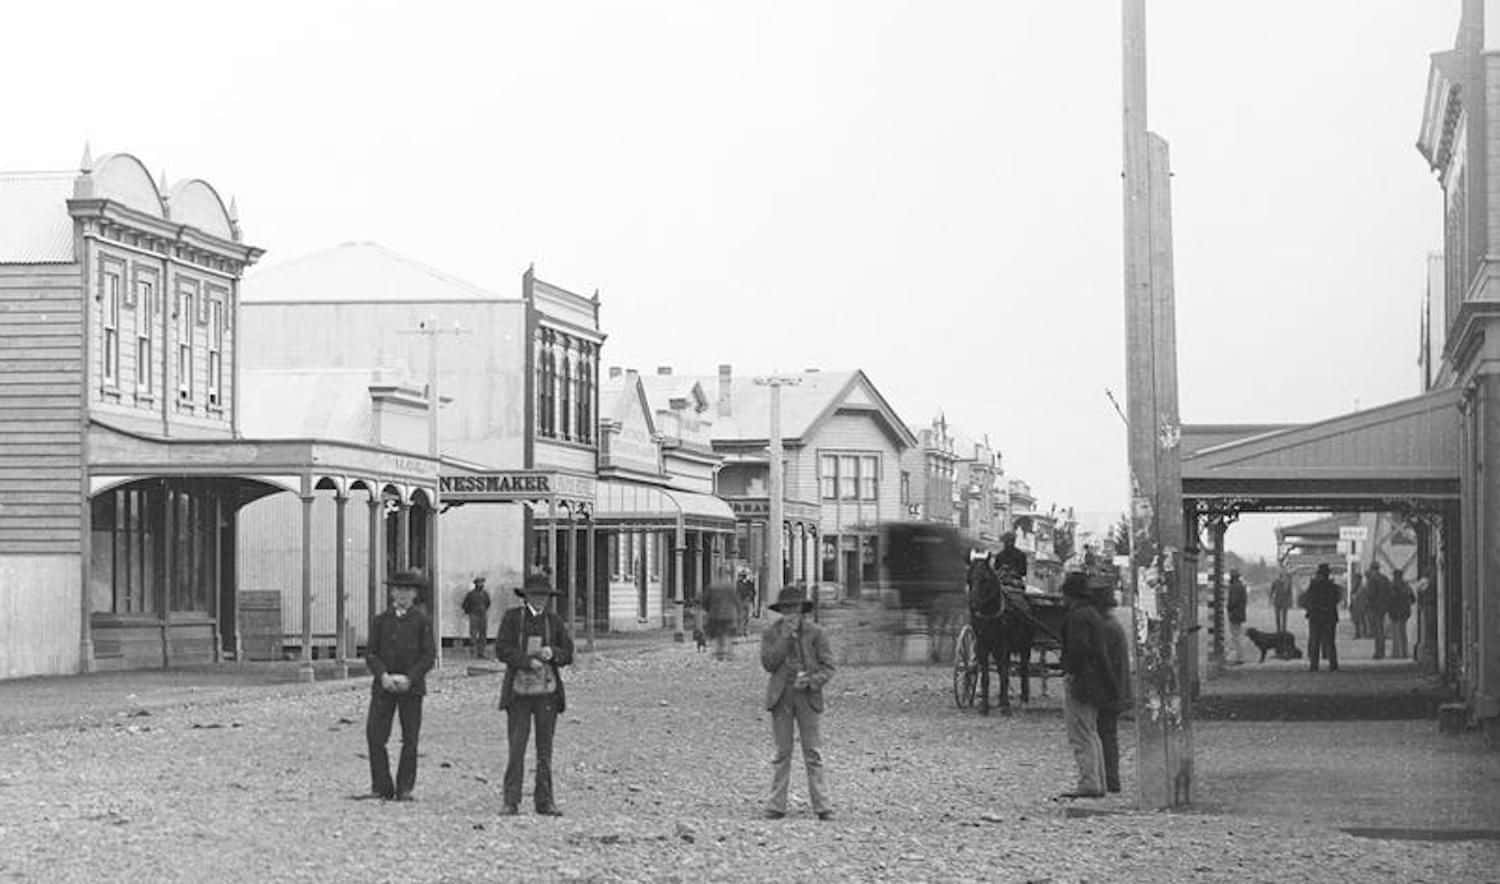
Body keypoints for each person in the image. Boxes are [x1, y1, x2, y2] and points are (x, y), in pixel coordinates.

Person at [496, 573, 575, 817]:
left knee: (545, 749)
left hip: (547, 694)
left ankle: (545, 800)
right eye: (535, 595)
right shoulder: (512, 619)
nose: (540, 600)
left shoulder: (554, 621)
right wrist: (527, 662)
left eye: (544, 596)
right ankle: (511, 800)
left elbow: (568, 653)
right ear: (526, 596)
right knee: (517, 747)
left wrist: (554, 654)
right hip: (518, 693)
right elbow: (502, 650)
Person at [760, 585, 836, 821]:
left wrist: (812, 681)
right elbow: (769, 664)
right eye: (786, 609)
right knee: (782, 752)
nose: (791, 613)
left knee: (813, 752)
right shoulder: (772, 633)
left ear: (802, 610)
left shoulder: (816, 633)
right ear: (781, 611)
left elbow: (829, 667)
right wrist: (784, 638)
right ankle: (776, 804)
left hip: (807, 697)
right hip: (781, 696)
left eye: (794, 608)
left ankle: (822, 805)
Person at [361, 569, 436, 802]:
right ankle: (381, 786)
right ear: (392, 592)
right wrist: (382, 675)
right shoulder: (380, 621)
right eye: (399, 590)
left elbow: (428, 656)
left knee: (410, 738)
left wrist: (410, 678)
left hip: (411, 688)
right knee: (375, 735)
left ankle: (405, 787)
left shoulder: (422, 621)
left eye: (408, 590)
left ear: (414, 594)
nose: (403, 594)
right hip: (384, 687)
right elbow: (371, 653)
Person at [1058, 571, 1118, 799]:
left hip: (1083, 681)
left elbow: (1079, 649)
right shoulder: (1091, 613)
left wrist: (1070, 672)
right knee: (1092, 732)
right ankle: (1098, 781)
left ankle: (1089, 782)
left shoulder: (1077, 617)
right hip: (1096, 681)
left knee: (1080, 733)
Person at [1093, 576, 1131, 794]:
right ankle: (1110, 779)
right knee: (1108, 734)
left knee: (1105, 734)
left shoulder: (1106, 628)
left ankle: (1110, 780)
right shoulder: (1112, 624)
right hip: (1116, 687)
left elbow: (1103, 662)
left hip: (1109, 689)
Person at [1302, 563, 1341, 672]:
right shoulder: (1332, 586)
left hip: (1315, 617)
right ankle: (1333, 665)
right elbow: (1337, 599)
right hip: (1329, 617)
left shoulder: (1313, 586)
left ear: (1318, 574)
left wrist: (1311, 609)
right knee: (1330, 642)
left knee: (1315, 641)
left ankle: (1314, 665)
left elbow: (1306, 600)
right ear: (1328, 574)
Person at [701, 579, 742, 661]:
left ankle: (719, 653)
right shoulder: (731, 588)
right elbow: (737, 601)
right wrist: (738, 612)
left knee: (718, 634)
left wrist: (708, 609)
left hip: (715, 614)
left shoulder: (712, 587)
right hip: (729, 615)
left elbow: (705, 601)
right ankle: (729, 652)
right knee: (729, 634)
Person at [1364, 562, 1392, 660]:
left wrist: (1368, 604)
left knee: (1377, 630)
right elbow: (1390, 591)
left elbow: (1370, 594)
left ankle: (1378, 652)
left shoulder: (1372, 579)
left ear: (1372, 569)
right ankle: (1382, 651)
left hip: (1374, 607)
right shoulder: (1384, 578)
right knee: (1381, 629)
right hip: (1383, 607)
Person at [462, 576, 492, 659]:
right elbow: (464, 604)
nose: (480, 584)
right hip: (474, 615)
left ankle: (481, 653)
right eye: (479, 583)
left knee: (483, 635)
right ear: (475, 584)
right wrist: (470, 612)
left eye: (482, 582)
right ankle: (473, 653)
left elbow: (488, 603)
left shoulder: (485, 594)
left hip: (483, 615)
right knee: (473, 635)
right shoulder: (471, 594)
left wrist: (483, 610)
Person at [1388, 568, 1415, 660]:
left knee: (1395, 633)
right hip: (1404, 612)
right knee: (1403, 633)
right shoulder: (1406, 586)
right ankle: (1404, 652)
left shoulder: (1392, 586)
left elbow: (1389, 599)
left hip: (1395, 612)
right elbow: (1413, 599)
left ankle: (1396, 653)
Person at [1225, 570, 1248, 665]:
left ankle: (1238, 657)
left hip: (1234, 614)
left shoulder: (1233, 587)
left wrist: (1228, 607)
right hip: (1240, 613)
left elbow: (1232, 602)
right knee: (1237, 635)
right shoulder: (1242, 586)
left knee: (1235, 636)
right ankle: (1238, 656)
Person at [1269, 569, 1293, 634]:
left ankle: (1284, 630)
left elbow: (1290, 593)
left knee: (1284, 617)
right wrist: (1270, 598)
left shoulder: (1288, 583)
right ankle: (1278, 630)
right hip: (1277, 601)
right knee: (1277, 617)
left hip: (1284, 602)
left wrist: (1290, 602)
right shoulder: (1275, 582)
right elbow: (1271, 591)